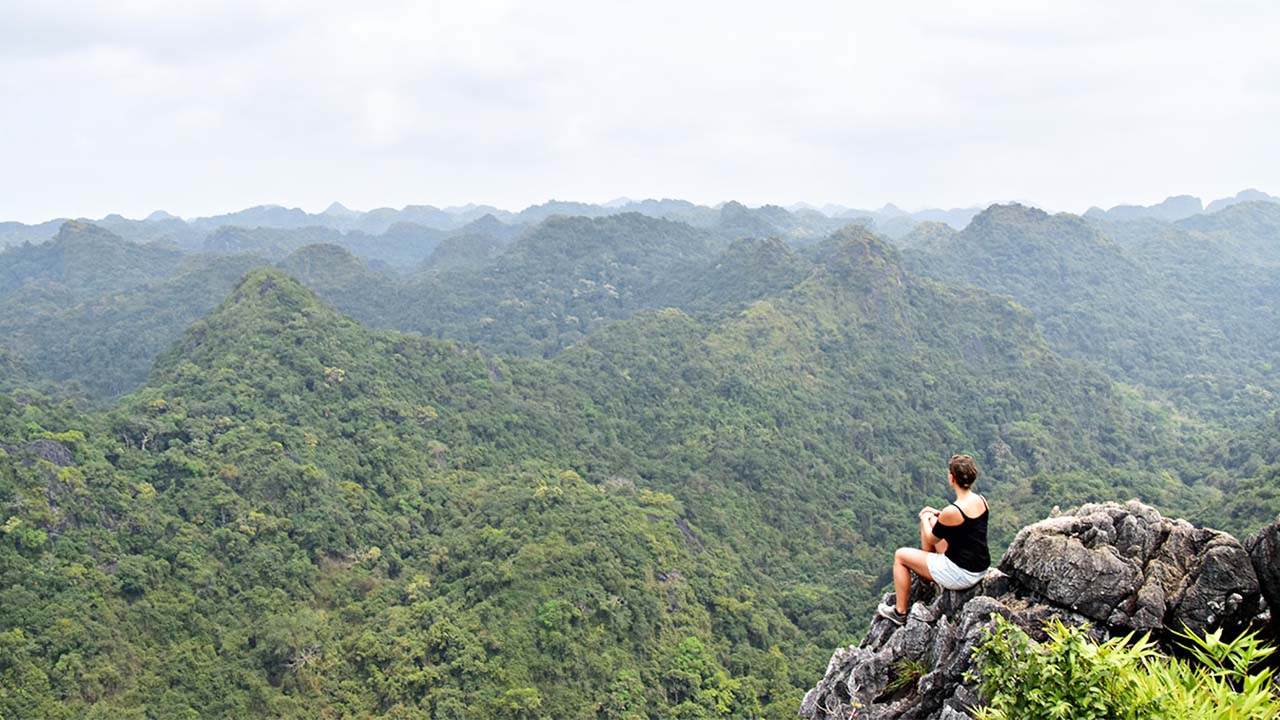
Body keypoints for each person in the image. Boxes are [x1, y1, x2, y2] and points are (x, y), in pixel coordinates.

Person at [877, 454, 990, 626]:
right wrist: (935, 516)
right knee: (932, 521)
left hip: (962, 574)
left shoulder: (952, 512)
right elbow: (966, 527)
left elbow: (931, 537)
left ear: (951, 478)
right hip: (979, 567)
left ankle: (899, 612)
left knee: (900, 556)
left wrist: (924, 516)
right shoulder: (981, 501)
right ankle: (927, 577)